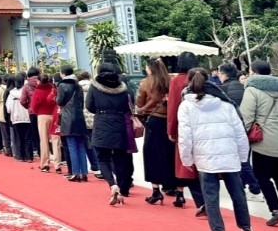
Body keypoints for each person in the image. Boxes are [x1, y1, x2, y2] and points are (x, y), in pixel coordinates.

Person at [178, 68, 253, 231]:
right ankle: (246, 227)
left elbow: (185, 136)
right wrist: (243, 156)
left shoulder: (186, 106)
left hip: (205, 155)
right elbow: (239, 132)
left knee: (210, 194)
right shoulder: (226, 104)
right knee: (237, 191)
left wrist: (186, 159)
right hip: (229, 153)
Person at [241, 60, 278, 226]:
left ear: (254, 72)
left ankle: (276, 210)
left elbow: (247, 116)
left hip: (263, 140)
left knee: (261, 176)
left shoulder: (252, 90)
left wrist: (243, 135)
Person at [85, 62, 133, 206]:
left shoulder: (95, 87)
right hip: (119, 124)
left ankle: (112, 185)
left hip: (101, 123)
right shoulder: (123, 88)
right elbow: (128, 106)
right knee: (120, 158)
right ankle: (122, 186)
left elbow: (89, 106)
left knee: (103, 158)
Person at [167, 52, 206, 214]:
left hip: (185, 127)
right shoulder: (203, 77)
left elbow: (173, 107)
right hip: (204, 127)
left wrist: (171, 129)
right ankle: (207, 200)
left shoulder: (176, 81)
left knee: (187, 166)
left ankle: (201, 202)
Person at [219, 62, 263, 202]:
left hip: (229, 129)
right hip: (246, 128)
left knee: (241, 162)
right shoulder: (244, 88)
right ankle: (244, 186)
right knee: (244, 158)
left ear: (224, 75)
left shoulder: (221, 90)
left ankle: (255, 188)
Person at [136, 58, 176, 205]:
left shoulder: (146, 83)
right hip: (169, 120)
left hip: (153, 121)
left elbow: (140, 103)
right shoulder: (170, 81)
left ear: (150, 69)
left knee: (152, 155)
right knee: (170, 154)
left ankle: (156, 190)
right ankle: (175, 189)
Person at [56, 65, 89, 181]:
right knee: (81, 145)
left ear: (62, 73)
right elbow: (81, 103)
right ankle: (84, 172)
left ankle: (75, 172)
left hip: (67, 117)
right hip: (79, 116)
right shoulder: (78, 85)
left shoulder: (62, 85)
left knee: (72, 146)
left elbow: (59, 101)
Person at [7, 74, 32, 162]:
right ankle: (29, 156)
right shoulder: (26, 92)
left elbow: (8, 109)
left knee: (18, 138)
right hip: (27, 117)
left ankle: (20, 156)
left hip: (16, 118)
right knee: (27, 138)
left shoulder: (11, 94)